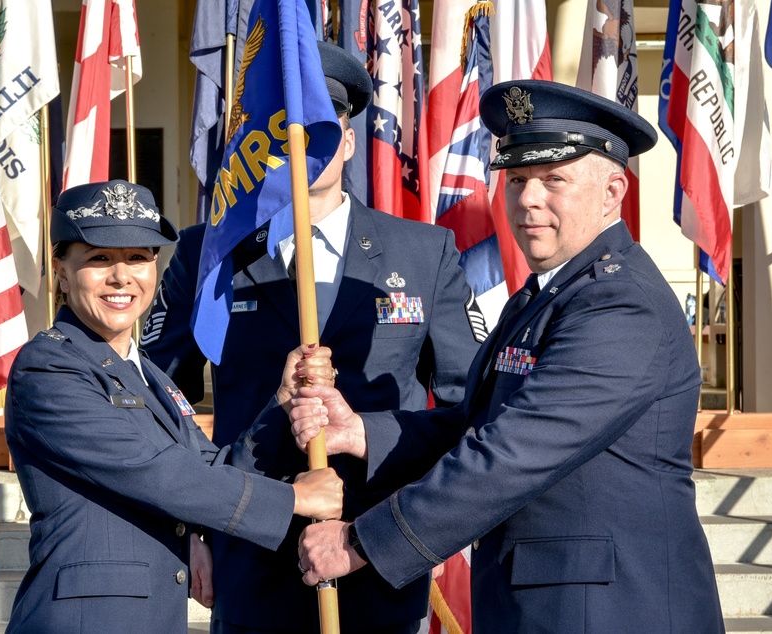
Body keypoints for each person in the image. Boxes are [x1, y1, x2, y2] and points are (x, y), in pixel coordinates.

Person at [290, 80, 725, 633]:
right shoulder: (549, 294)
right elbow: (482, 424)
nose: (528, 200)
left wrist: (364, 541)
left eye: (554, 180)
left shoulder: (620, 304)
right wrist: (363, 434)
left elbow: (512, 451)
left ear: (614, 191)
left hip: (606, 612)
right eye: (517, 180)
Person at [141, 43, 481, 634]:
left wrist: (416, 527)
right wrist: (190, 526)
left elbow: (467, 409)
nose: (301, 145)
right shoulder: (208, 253)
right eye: (283, 129)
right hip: (248, 551)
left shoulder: (423, 254)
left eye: (322, 128)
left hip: (374, 549)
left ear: (348, 140)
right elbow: (156, 401)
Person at [3, 180, 344, 634]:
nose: (121, 276)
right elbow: (163, 475)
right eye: (99, 258)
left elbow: (214, 464)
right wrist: (297, 499)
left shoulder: (148, 375)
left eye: (138, 258)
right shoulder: (49, 368)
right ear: (61, 271)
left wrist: (281, 404)